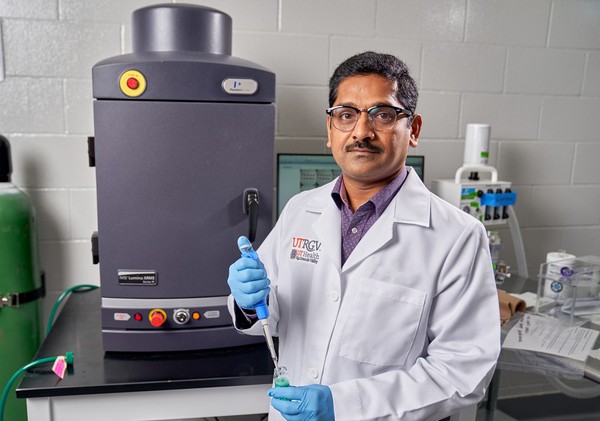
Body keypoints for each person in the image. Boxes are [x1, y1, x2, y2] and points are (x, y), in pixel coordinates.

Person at [227, 51, 501, 420]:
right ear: (330, 131)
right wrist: (248, 301)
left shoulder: (457, 236)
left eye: (383, 115)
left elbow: (462, 372)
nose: (361, 132)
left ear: (413, 130)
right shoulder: (300, 210)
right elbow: (273, 315)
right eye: (346, 115)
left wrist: (341, 406)